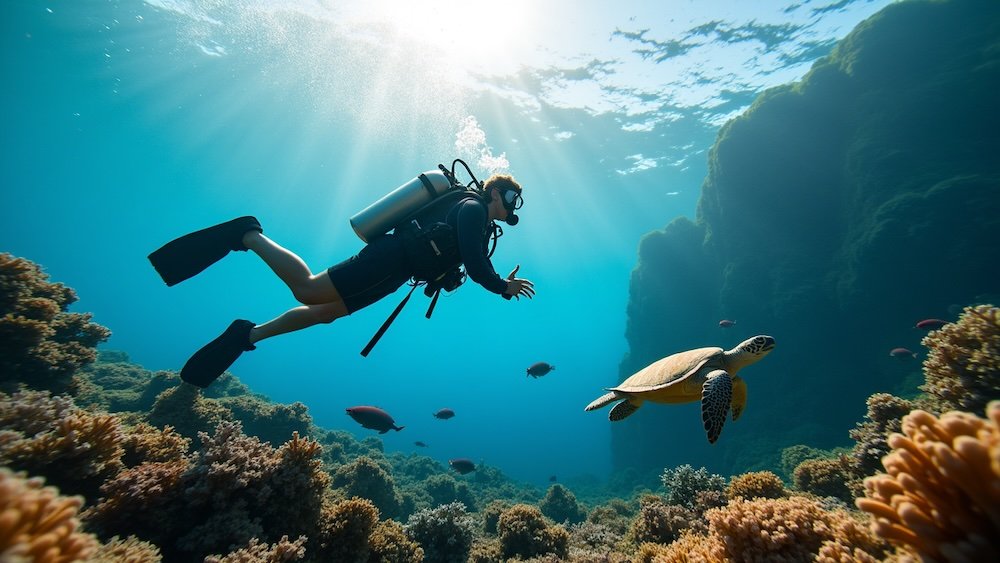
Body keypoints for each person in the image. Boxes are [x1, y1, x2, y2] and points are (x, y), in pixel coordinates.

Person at [147, 174, 535, 387]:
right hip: (389, 258)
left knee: (326, 312)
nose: (513, 204)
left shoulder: (481, 226)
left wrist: (469, 279)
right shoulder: (471, 209)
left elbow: (464, 262)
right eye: (511, 196)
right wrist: (502, 286)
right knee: (308, 289)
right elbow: (475, 261)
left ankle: (247, 335)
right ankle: (248, 234)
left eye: (517, 200)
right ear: (494, 192)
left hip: (396, 274)